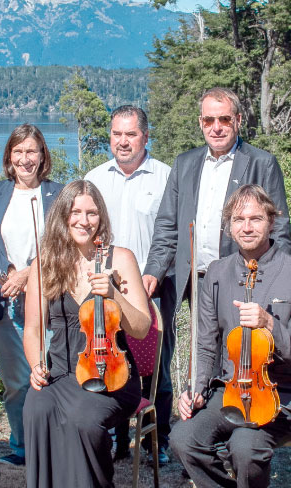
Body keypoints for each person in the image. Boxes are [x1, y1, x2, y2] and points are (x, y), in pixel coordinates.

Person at [170, 184, 291, 488]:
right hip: (232, 388)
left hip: (284, 395)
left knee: (246, 443)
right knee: (184, 437)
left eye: (256, 218)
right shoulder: (217, 274)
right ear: (228, 226)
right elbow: (207, 343)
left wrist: (270, 323)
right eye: (239, 219)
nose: (247, 226)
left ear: (272, 222)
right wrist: (197, 391)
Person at [143, 88, 291, 409]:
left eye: (224, 119)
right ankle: (198, 416)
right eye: (209, 120)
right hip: (194, 279)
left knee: (235, 354)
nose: (217, 127)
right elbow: (167, 226)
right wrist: (154, 270)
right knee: (201, 352)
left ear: (238, 120)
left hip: (242, 279)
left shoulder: (262, 164)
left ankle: (237, 416)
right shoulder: (184, 164)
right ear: (200, 123)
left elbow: (280, 230)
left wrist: (275, 283)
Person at [22, 180, 152, 488]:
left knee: (82, 417)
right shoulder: (45, 262)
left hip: (112, 374)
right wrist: (36, 362)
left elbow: (141, 327)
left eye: (91, 212)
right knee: (37, 407)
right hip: (62, 370)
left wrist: (114, 294)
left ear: (101, 217)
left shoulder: (119, 259)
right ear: (62, 217)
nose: (84, 220)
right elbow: (34, 327)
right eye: (75, 212)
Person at [84, 105, 174, 464]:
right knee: (109, 360)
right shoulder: (94, 179)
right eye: (117, 134)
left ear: (145, 136)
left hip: (153, 284)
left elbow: (172, 235)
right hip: (105, 285)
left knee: (156, 364)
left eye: (131, 134)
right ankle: (117, 438)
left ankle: (159, 441)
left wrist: (153, 271)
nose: (123, 141)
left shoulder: (167, 177)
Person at [0, 124, 63, 466]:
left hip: (48, 298)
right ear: (9, 157)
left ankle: (53, 445)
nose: (26, 159)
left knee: (50, 373)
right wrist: (9, 273)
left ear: (43, 156)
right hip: (4, 299)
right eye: (19, 151)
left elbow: (63, 244)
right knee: (15, 381)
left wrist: (29, 274)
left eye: (32, 151)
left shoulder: (58, 193)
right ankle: (23, 447)